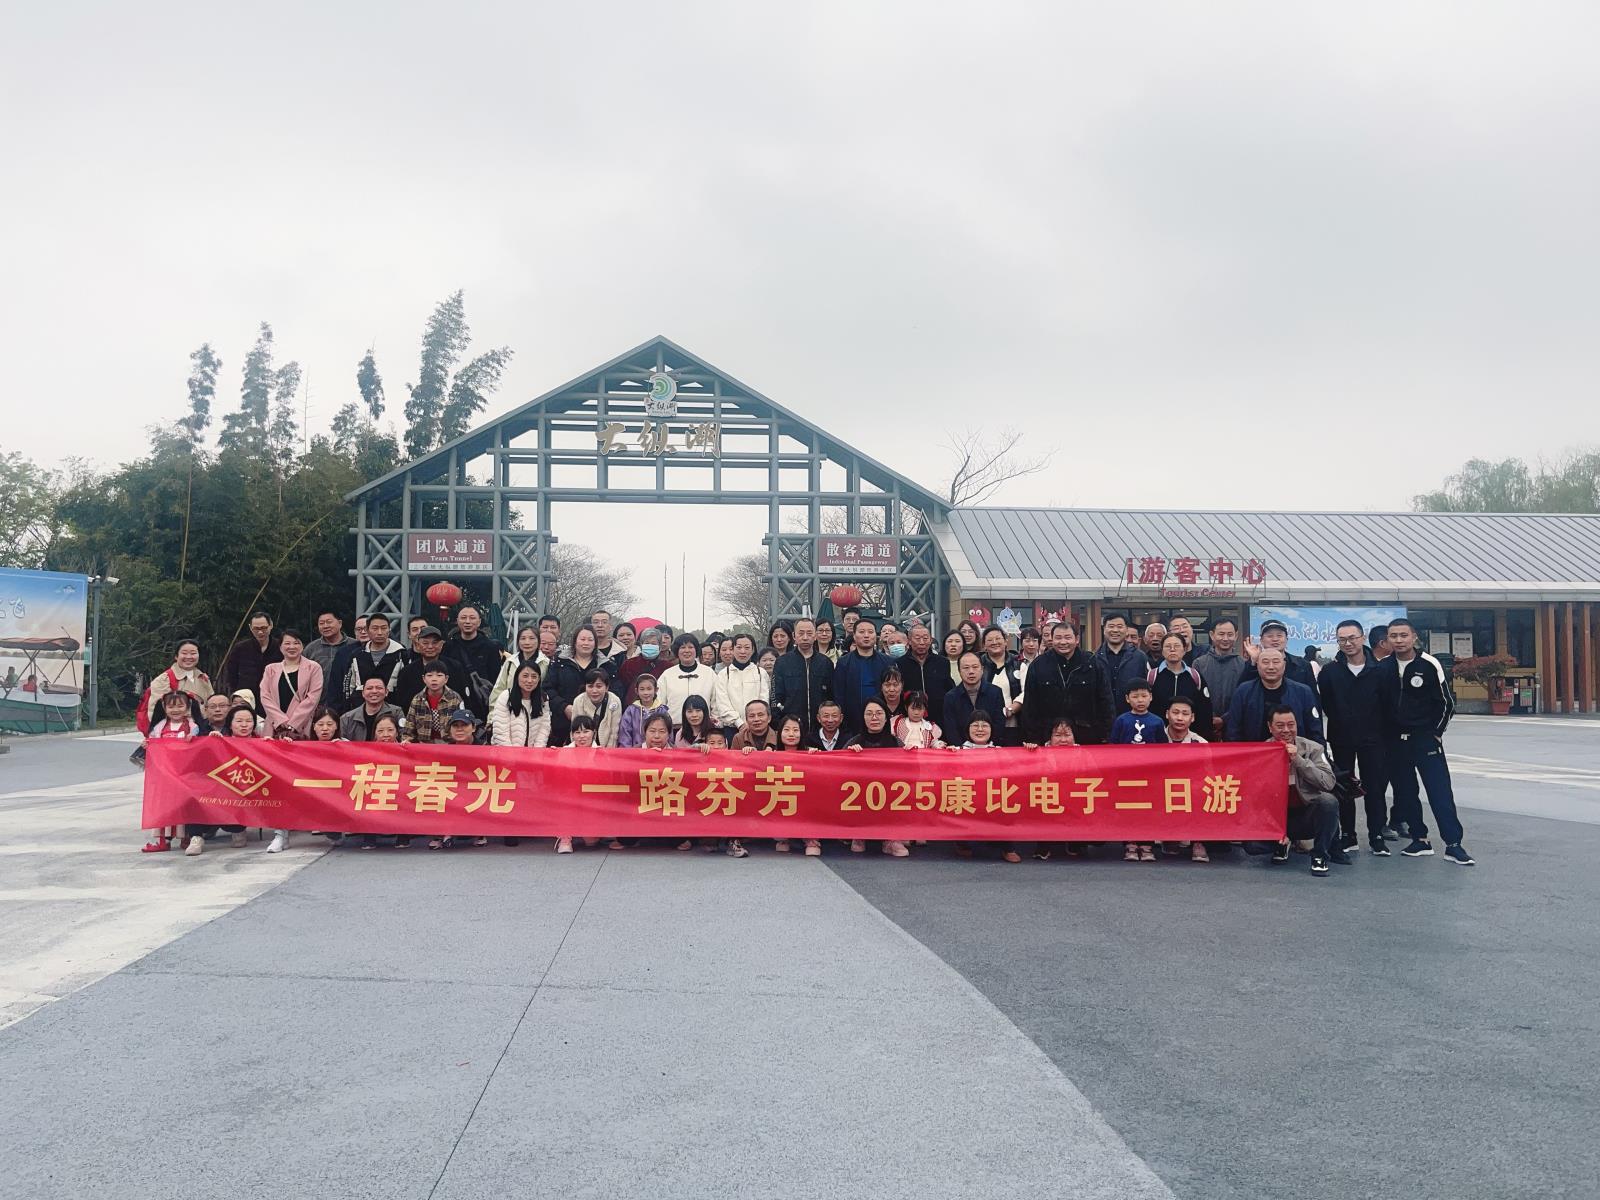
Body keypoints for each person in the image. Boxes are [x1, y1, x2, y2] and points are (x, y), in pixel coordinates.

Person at [1379, 618, 1473, 864]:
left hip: (1426, 740)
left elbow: (1446, 703)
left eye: (1403, 635)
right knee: (1406, 792)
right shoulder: (1383, 667)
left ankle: (1453, 845)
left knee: (1439, 792)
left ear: (1414, 637)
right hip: (1396, 742)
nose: (1399, 640)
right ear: (1388, 640)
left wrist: (1436, 733)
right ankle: (1419, 839)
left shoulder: (1429, 664)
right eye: (1393, 636)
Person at [1317, 619, 1392, 855]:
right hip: (1341, 737)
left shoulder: (1381, 670)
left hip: (1374, 738)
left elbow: (1388, 705)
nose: (1348, 643)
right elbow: (1326, 704)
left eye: (1352, 638)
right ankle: (1348, 835)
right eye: (1342, 639)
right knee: (1344, 787)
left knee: (1375, 787)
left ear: (1362, 638)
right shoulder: (1329, 672)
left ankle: (1377, 835)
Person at [1266, 705, 1346, 876]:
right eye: (1280, 726)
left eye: (1291, 725)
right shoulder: (1261, 751)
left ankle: (1320, 855)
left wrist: (1298, 761)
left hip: (1307, 813)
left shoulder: (1314, 748)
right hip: (1277, 818)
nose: (1286, 730)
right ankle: (1281, 844)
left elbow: (1328, 782)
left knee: (1328, 802)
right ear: (1270, 727)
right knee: (1253, 846)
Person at [1020, 621, 1115, 747]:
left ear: (1077, 639)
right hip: (1049, 735)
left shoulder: (1092, 663)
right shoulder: (1039, 665)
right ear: (1052, 639)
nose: (1063, 642)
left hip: (1087, 735)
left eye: (1067, 637)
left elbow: (1106, 701)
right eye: (1058, 638)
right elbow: (1030, 704)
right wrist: (1033, 738)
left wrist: (1105, 735)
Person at [143, 691, 204, 854]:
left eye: (180, 706)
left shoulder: (192, 727)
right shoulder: (159, 727)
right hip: (164, 776)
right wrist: (147, 744)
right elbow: (152, 742)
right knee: (164, 807)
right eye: (171, 706)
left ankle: (186, 837)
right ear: (164, 707)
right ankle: (163, 841)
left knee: (184, 806)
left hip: (185, 775)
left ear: (188, 707)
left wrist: (193, 739)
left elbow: (198, 743)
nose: (175, 710)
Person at [1226, 648, 1323, 744]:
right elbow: (1233, 730)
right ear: (1258, 665)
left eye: (1276, 662)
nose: (1271, 667)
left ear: (1284, 665)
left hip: (1294, 751)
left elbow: (1314, 730)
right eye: (1265, 662)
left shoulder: (1303, 692)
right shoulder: (1243, 691)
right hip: (1254, 751)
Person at [952, 712, 1014, 862]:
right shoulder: (957, 751)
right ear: (968, 729)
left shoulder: (1000, 751)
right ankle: (962, 843)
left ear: (992, 729)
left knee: (1006, 802)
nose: (980, 729)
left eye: (985, 725)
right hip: (967, 796)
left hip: (993, 797)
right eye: (975, 725)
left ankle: (1008, 848)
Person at [429, 710, 490, 850]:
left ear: (473, 728)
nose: (460, 729)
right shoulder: (445, 750)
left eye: (464, 725)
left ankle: (479, 832)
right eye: (455, 726)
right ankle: (444, 832)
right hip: (453, 788)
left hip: (476, 787)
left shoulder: (484, 748)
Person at [1163, 696, 1210, 863]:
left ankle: (1198, 841)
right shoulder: (1156, 737)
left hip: (1191, 789)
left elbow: (1208, 775)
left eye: (1185, 714)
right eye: (1175, 712)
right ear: (1167, 714)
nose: (1179, 718)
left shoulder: (1200, 743)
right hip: (1162, 788)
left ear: (1192, 717)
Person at [771, 616, 835, 737]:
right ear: (794, 636)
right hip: (791, 727)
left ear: (815, 636)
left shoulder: (825, 663)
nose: (805, 637)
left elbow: (831, 695)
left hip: (820, 727)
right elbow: (775, 695)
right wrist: (777, 723)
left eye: (809, 633)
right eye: (801, 633)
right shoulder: (782, 662)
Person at [260, 630, 324, 739]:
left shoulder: (313, 667)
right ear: (280, 647)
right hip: (275, 726)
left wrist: (293, 723)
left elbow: (313, 698)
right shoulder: (270, 669)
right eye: (287, 643)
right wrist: (280, 720)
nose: (292, 647)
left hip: (302, 726)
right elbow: (265, 696)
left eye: (296, 643)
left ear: (302, 646)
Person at [833, 618, 894, 734]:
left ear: (876, 636)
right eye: (861, 632)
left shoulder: (887, 662)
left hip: (881, 719)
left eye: (870, 632)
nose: (866, 635)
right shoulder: (843, 663)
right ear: (854, 636)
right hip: (851, 721)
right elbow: (838, 694)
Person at [1193, 618, 1249, 739]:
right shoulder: (1199, 663)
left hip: (1235, 725)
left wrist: (1224, 719)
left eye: (1230, 634)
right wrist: (1210, 717)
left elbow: (1244, 697)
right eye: (1221, 634)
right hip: (1205, 725)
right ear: (1212, 635)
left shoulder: (1243, 664)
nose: (1225, 638)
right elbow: (1196, 696)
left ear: (1236, 636)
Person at [392, 625, 471, 711]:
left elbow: (464, 699)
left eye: (434, 643)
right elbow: (402, 703)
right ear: (418, 645)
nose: (430, 646)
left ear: (441, 645)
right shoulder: (407, 672)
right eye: (425, 643)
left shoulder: (455, 667)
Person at [446, 604, 504, 718]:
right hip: (454, 703)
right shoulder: (449, 647)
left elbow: (495, 678)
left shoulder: (490, 647)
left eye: (472, 618)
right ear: (457, 621)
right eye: (463, 618)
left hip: (481, 704)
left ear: (479, 622)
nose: (467, 621)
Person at [1147, 633, 1213, 732]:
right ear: (1162, 651)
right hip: (1158, 734)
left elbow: (1205, 710)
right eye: (1168, 646)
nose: (1172, 649)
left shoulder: (1195, 676)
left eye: (1177, 646)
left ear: (1184, 650)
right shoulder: (1152, 676)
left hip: (1189, 735)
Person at [218, 612, 281, 714]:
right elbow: (231, 673)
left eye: (264, 628)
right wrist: (238, 693)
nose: (260, 632)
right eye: (256, 629)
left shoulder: (280, 647)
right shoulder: (240, 648)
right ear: (250, 628)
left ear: (271, 626)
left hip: (274, 698)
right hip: (246, 698)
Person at [340, 613, 406, 710]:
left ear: (389, 630)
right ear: (367, 630)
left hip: (392, 710)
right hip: (360, 709)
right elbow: (348, 686)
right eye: (375, 628)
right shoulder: (356, 655)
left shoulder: (401, 653)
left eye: (383, 628)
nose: (379, 632)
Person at [145, 639, 213, 728]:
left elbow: (211, 702)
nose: (189, 657)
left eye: (193, 653)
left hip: (204, 729)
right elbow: (156, 712)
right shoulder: (164, 680)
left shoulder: (203, 678)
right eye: (184, 653)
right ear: (176, 656)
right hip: (177, 731)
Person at [943, 651, 1006, 747]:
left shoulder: (995, 692)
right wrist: (963, 748)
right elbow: (951, 729)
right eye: (966, 668)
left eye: (975, 667)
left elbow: (999, 723)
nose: (971, 671)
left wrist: (988, 746)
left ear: (982, 669)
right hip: (962, 750)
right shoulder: (951, 697)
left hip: (990, 748)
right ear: (959, 671)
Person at [712, 633, 768, 737]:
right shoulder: (724, 675)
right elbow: (722, 703)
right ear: (733, 650)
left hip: (758, 727)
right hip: (732, 729)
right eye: (739, 647)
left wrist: (754, 720)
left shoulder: (760, 673)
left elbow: (764, 700)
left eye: (747, 648)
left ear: (753, 650)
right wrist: (739, 723)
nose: (743, 651)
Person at [980, 625, 1027, 745]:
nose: (994, 642)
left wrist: (1011, 709)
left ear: (1006, 641)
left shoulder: (1018, 665)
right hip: (985, 725)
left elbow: (1027, 691)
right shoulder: (978, 665)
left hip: (1013, 724)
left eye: (998, 638)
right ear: (984, 645)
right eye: (990, 640)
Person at [659, 634, 716, 732]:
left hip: (704, 729)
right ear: (677, 651)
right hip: (674, 728)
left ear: (696, 650)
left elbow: (715, 702)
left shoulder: (709, 673)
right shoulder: (667, 675)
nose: (687, 651)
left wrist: (714, 722)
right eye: (682, 647)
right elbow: (660, 703)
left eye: (690, 647)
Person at [1094, 616, 1149, 714]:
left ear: (1126, 630)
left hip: (1132, 715)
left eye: (1119, 626)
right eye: (1111, 626)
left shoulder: (1140, 657)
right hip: (1102, 716)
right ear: (1104, 629)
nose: (1115, 630)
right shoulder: (1094, 658)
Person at [490, 662, 551, 748]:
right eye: (525, 676)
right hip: (506, 751)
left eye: (534, 677)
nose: (529, 681)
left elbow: (544, 728)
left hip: (532, 752)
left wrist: (537, 751)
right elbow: (500, 732)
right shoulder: (506, 697)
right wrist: (512, 754)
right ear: (517, 677)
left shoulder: (543, 698)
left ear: (539, 679)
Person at [1241, 619, 1317, 688]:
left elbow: (1312, 695)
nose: (1275, 639)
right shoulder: (1252, 665)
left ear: (1286, 639)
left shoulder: (1302, 665)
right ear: (1261, 640)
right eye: (1270, 636)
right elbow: (1242, 691)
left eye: (1279, 635)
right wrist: (1254, 661)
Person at [898, 622, 951, 720]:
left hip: (939, 717)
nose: (922, 642)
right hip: (910, 717)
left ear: (930, 640)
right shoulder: (900, 664)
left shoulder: (942, 662)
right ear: (909, 641)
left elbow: (949, 690)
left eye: (925, 638)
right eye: (917, 639)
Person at [406, 661, 464, 744]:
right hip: (425, 744)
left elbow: (462, 723)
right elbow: (409, 725)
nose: (434, 679)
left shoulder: (455, 698)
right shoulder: (417, 699)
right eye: (429, 675)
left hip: (449, 743)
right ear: (424, 679)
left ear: (446, 679)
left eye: (439, 675)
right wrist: (407, 740)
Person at [339, 677, 403, 741]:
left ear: (386, 692)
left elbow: (404, 737)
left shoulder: (397, 713)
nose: (374, 691)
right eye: (369, 688)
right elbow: (339, 742)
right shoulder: (347, 718)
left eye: (379, 688)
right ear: (363, 693)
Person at [572, 669, 623, 747]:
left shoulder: (614, 701)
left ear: (606, 687)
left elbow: (614, 734)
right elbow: (574, 731)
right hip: (582, 748)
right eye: (590, 686)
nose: (594, 691)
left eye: (599, 686)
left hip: (606, 748)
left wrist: (608, 752)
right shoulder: (578, 701)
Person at [618, 672, 669, 748]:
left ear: (656, 690)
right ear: (636, 691)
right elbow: (624, 734)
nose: (645, 693)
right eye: (642, 689)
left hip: (658, 751)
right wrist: (628, 751)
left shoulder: (662, 711)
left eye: (649, 689)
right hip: (636, 752)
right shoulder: (631, 711)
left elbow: (668, 735)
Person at [304, 610, 352, 690]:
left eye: (329, 622)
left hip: (348, 695)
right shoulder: (311, 648)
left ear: (340, 623)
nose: (325, 626)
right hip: (319, 696)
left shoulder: (354, 645)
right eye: (321, 623)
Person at [618, 625, 670, 696]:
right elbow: (623, 687)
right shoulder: (628, 664)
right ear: (641, 645)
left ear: (660, 647)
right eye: (647, 643)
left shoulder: (667, 667)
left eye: (653, 643)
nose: (650, 645)